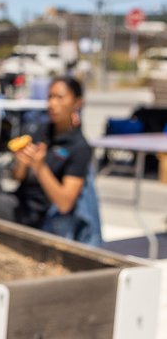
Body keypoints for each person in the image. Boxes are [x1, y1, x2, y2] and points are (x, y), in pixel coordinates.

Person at [12, 76, 102, 245]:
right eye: (50, 97)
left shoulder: (79, 147)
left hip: (44, 219)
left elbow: (64, 203)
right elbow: (17, 177)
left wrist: (40, 168)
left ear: (77, 103)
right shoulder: (40, 131)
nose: (52, 104)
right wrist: (22, 163)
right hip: (21, 203)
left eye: (59, 97)